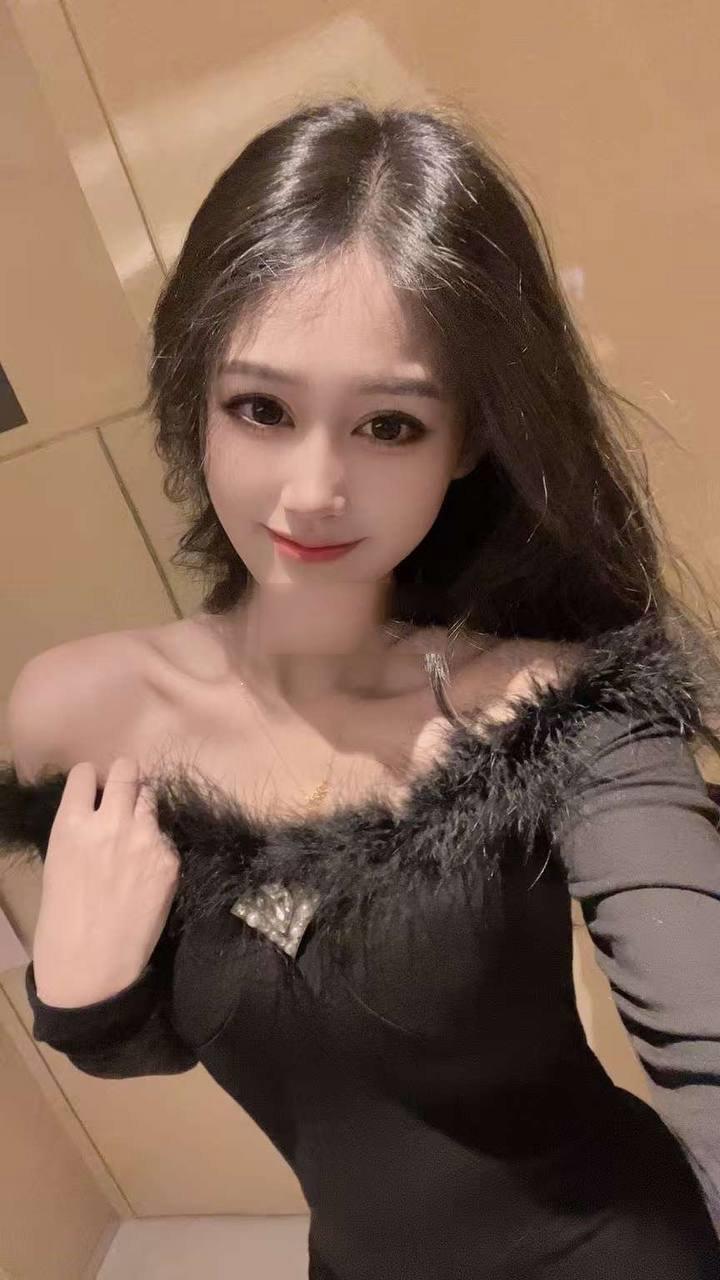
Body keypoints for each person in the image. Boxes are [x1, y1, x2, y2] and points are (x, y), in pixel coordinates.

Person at [1, 96, 720, 1277]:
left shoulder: (553, 712)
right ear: (194, 395)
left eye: (388, 424)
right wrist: (79, 995)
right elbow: (180, 1036)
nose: (313, 488)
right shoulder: (83, 714)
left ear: (469, 438)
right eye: (262, 409)